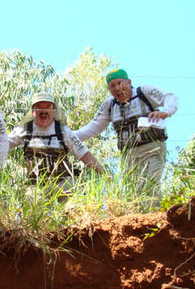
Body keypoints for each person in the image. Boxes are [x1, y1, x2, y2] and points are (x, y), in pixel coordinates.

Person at [75, 68, 178, 204]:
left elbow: (169, 97)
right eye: (112, 86)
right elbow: (93, 127)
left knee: (150, 187)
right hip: (129, 155)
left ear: (129, 82)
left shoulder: (144, 92)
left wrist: (164, 111)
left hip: (153, 149)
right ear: (109, 89)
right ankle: (138, 221)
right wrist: (67, 137)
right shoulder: (109, 105)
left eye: (120, 83)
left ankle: (153, 219)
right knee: (132, 193)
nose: (118, 88)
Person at [9, 93, 103, 194]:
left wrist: (105, 175)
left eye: (48, 107)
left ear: (53, 111)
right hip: (36, 187)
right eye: (39, 107)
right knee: (31, 205)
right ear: (33, 111)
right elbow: (3, 144)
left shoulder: (64, 131)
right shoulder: (23, 130)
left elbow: (84, 155)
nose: (44, 111)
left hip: (64, 183)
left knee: (74, 206)